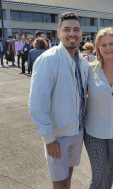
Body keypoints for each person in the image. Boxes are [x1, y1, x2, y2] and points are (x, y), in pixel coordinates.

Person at [29, 12, 89, 189]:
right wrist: (49, 138)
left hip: (77, 131)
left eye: (76, 30)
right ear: (58, 32)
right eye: (67, 30)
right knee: (58, 183)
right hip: (58, 135)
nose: (72, 34)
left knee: (69, 176)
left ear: (81, 33)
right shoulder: (49, 59)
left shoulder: (83, 62)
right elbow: (37, 103)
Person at [84, 27, 113, 189]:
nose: (108, 48)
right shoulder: (89, 70)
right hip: (93, 132)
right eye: (103, 45)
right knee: (98, 174)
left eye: (111, 44)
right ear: (97, 47)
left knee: (109, 171)